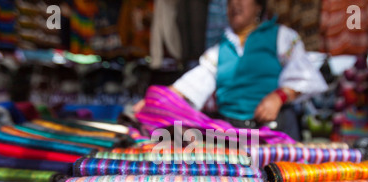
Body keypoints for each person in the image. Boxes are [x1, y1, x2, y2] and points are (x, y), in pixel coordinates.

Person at [131, 0, 328, 139]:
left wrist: (279, 97)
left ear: (258, 5)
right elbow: (190, 85)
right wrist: (155, 102)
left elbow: (306, 77)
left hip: (275, 130)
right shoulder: (219, 51)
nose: (235, 4)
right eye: (230, 1)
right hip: (233, 136)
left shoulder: (281, 37)